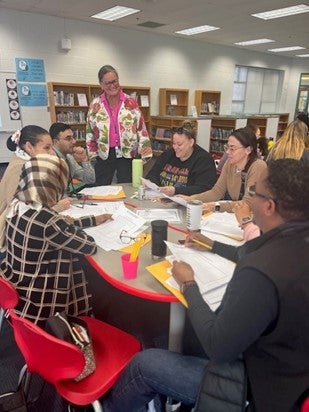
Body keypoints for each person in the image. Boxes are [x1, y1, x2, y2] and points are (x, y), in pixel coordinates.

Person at [100, 159, 309, 412]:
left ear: (269, 206)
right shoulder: (292, 242)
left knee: (144, 364)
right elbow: (249, 253)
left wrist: (188, 283)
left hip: (255, 388)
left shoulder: (260, 270)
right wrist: (211, 244)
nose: (249, 201)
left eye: (253, 193)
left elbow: (218, 347)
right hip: (294, 373)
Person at [0, 154, 112, 326]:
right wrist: (70, 225)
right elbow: (88, 245)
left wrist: (91, 220)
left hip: (19, 285)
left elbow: (62, 228)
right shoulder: (48, 221)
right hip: (41, 298)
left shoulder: (18, 203)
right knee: (101, 285)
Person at [86, 65, 153, 185]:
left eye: (114, 81)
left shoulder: (130, 102)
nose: (112, 86)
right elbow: (90, 131)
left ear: (118, 80)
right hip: (104, 153)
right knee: (101, 186)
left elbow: (141, 128)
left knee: (127, 185)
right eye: (108, 83)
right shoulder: (95, 105)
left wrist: (145, 152)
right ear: (101, 84)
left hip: (127, 152)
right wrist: (92, 155)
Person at [178, 127, 267, 212]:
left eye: (232, 148)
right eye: (227, 147)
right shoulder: (230, 164)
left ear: (248, 150)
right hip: (237, 215)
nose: (227, 152)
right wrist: (192, 199)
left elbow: (248, 204)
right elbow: (217, 191)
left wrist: (216, 207)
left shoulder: (258, 167)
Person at [0, 125, 70, 221]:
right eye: (47, 148)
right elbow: (18, 214)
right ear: (29, 147)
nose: (52, 153)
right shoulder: (18, 168)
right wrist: (57, 207)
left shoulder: (31, 164)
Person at [146, 122, 217, 196]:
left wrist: (176, 191)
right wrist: (155, 187)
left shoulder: (204, 160)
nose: (175, 147)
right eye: (173, 143)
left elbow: (203, 188)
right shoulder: (168, 154)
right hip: (162, 198)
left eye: (179, 144)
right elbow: (152, 174)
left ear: (191, 142)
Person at [49, 122, 96, 191]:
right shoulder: (50, 159)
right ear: (55, 142)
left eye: (73, 137)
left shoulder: (68, 157)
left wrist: (84, 159)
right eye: (68, 139)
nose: (74, 141)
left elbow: (89, 180)